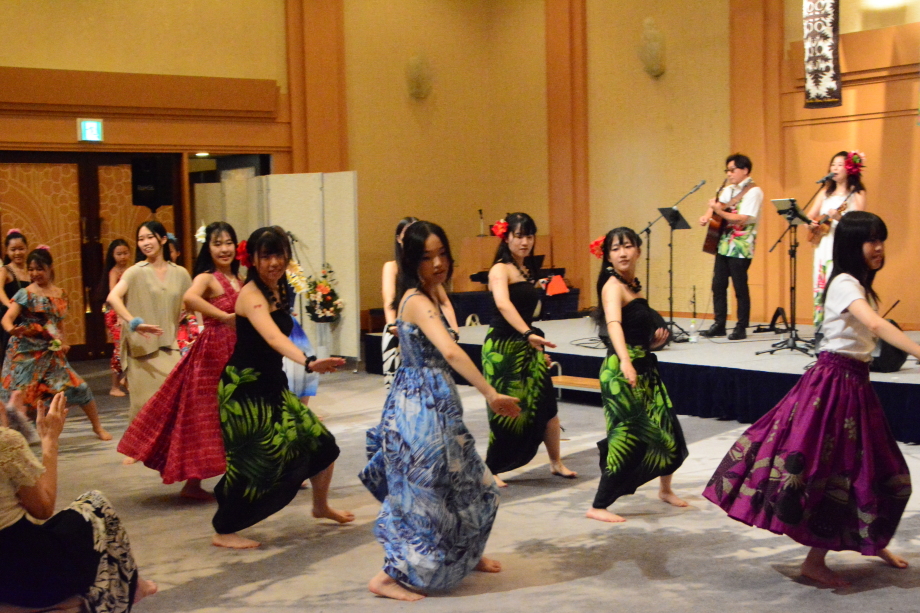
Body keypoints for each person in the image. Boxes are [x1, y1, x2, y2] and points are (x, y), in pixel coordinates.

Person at [703, 211, 915, 587]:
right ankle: (815, 562)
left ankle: (873, 540)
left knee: (880, 469)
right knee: (833, 473)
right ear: (852, 245)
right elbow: (875, 325)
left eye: (881, 239)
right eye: (871, 240)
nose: (879, 247)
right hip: (834, 386)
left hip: (854, 384)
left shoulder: (859, 286)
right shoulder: (845, 283)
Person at [360, 221, 521, 601]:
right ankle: (387, 577)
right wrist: (490, 393)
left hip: (435, 403)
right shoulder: (416, 299)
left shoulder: (430, 292)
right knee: (424, 498)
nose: (437, 263)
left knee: (474, 487)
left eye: (442, 254)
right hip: (421, 409)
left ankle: (467, 554)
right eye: (426, 257)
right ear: (410, 260)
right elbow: (449, 351)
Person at [211, 227, 353, 549]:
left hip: (272, 383)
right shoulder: (251, 294)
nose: (274, 262)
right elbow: (274, 337)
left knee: (322, 444)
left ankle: (320, 506)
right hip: (244, 390)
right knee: (252, 464)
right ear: (253, 259)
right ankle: (223, 530)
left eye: (279, 254)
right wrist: (309, 362)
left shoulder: (280, 288)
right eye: (266, 256)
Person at [118, 222, 242, 500]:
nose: (224, 249)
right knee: (202, 416)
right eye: (217, 244)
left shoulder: (238, 279)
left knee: (233, 413)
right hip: (211, 353)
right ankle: (192, 482)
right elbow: (190, 298)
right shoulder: (206, 277)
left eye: (228, 243)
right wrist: (223, 317)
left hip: (236, 351)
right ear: (208, 248)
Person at [0, 391, 157, 610]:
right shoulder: (6, 441)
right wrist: (50, 441)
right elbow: (43, 508)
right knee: (96, 504)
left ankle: (133, 584)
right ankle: (128, 588)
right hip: (26, 577)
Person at [586, 227, 688, 523]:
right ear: (607, 256)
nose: (622, 253)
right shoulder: (612, 286)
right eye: (615, 248)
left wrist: (651, 344)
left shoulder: (632, 286)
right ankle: (598, 505)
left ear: (638, 251)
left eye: (627, 246)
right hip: (622, 373)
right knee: (627, 438)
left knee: (667, 428)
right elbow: (614, 325)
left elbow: (635, 328)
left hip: (644, 367)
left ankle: (665, 490)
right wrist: (625, 360)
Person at [482, 213, 575, 487]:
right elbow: (503, 304)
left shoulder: (525, 270)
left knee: (547, 406)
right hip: (503, 348)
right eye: (519, 236)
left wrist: (533, 342)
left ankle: (556, 462)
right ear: (506, 238)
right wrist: (527, 334)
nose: (525, 242)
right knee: (506, 410)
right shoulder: (500, 270)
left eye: (529, 236)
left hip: (528, 343)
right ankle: (492, 468)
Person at [0, 247, 112, 441]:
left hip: (49, 353)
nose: (35, 273)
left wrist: (63, 342)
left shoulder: (60, 294)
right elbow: (7, 318)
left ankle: (97, 427)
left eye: (39, 269)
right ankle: (11, 438)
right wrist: (12, 329)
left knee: (80, 387)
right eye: (31, 269)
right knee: (18, 396)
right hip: (24, 353)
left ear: (50, 268)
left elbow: (58, 324)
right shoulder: (25, 294)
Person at [106, 221, 192, 423]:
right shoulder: (135, 271)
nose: (145, 243)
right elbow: (113, 297)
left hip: (169, 347)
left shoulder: (180, 273)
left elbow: (194, 302)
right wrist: (134, 322)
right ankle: (136, 445)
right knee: (143, 409)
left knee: (175, 405)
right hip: (142, 349)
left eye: (150, 237)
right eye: (141, 239)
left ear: (163, 240)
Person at [380, 216, 459, 390]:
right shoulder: (392, 267)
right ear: (399, 239)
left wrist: (454, 330)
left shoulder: (428, 272)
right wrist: (393, 326)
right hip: (400, 329)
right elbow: (389, 300)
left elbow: (445, 302)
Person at [698, 153, 764, 340]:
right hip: (724, 243)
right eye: (727, 170)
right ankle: (719, 324)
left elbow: (742, 218)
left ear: (745, 170)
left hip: (741, 245)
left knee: (739, 286)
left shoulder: (754, 192)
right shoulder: (728, 189)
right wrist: (707, 215)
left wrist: (718, 211)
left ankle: (741, 326)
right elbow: (716, 204)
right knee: (718, 284)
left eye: (733, 170)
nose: (729, 174)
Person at [807, 150, 867, 333]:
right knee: (822, 282)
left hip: (843, 245)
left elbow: (859, 222)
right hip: (824, 244)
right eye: (833, 164)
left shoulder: (856, 193)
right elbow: (809, 215)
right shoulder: (825, 192)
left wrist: (840, 217)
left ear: (849, 169)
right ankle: (821, 329)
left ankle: (842, 329)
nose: (835, 168)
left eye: (840, 165)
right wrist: (811, 223)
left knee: (840, 284)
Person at [100, 239, 131, 396]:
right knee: (119, 348)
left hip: (128, 312)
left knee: (131, 346)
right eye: (119, 254)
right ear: (113, 255)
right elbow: (114, 295)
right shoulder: (113, 272)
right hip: (115, 313)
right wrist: (119, 315)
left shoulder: (132, 270)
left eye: (125, 253)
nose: (122, 257)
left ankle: (126, 379)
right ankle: (114, 386)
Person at [0, 229, 30, 361]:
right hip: (10, 317)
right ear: (6, 251)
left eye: (21, 249)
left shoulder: (30, 270)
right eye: (13, 249)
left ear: (26, 249)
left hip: (28, 317)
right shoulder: (5, 270)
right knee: (12, 355)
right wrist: (10, 305)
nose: (17, 253)